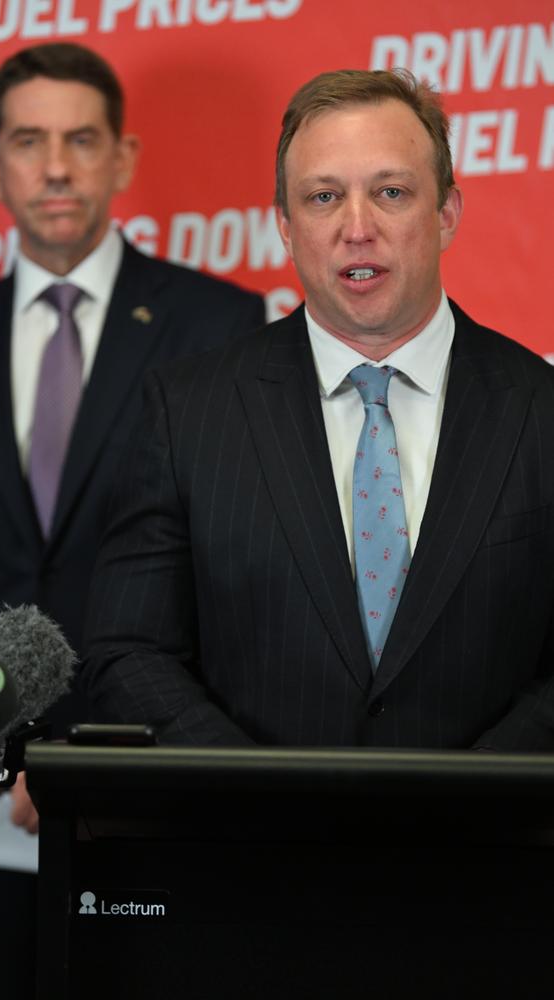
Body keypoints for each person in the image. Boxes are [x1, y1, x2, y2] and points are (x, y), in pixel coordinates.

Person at [0, 42, 264, 999]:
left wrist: (91, 764)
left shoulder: (222, 328)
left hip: (150, 802)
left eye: (80, 138)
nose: (55, 166)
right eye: (28, 140)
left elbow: (226, 569)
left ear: (124, 157)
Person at [83, 68, 554, 751]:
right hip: (254, 846)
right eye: (324, 197)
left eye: (390, 193)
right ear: (285, 224)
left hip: (486, 848)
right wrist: (262, 798)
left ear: (447, 213)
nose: (356, 228)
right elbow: (128, 651)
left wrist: (468, 805)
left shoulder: (540, 412)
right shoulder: (188, 413)